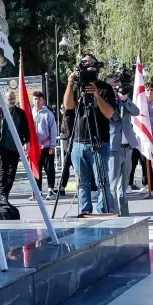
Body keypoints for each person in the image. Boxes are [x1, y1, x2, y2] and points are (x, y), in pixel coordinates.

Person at [62, 53, 116, 216]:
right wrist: (71, 83)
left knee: (102, 180)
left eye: (91, 64)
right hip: (78, 141)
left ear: (97, 67)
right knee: (82, 182)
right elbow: (68, 106)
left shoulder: (105, 88)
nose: (88, 67)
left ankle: (104, 209)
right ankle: (85, 211)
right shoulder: (77, 86)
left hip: (99, 141)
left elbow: (109, 113)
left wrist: (96, 95)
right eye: (84, 64)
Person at [106, 72, 141, 217]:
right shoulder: (106, 102)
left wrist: (125, 99)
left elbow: (136, 111)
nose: (117, 89)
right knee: (113, 184)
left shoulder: (124, 101)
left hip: (128, 147)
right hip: (113, 148)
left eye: (118, 86)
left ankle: (125, 215)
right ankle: (114, 214)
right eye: (114, 87)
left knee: (124, 185)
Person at [0, 91, 30, 201]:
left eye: (13, 98)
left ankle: (5, 192)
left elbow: (26, 129)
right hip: (2, 146)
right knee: (3, 170)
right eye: (9, 98)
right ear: (5, 99)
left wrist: (27, 142)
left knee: (12, 172)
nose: (12, 100)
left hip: (16, 147)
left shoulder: (20, 113)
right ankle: (3, 195)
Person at [29, 90, 58, 195]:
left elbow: (53, 130)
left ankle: (50, 189)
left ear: (43, 101)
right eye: (35, 99)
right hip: (34, 148)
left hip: (46, 146)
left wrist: (52, 145)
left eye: (39, 99)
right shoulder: (29, 113)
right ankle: (38, 190)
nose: (37, 101)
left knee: (49, 169)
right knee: (36, 169)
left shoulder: (48, 114)